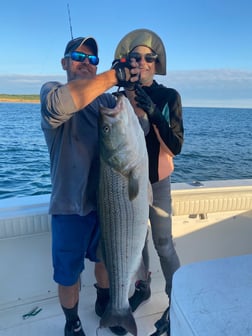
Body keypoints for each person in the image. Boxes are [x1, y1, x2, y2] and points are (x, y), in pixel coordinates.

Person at [40, 36, 140, 336]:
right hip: (69, 205)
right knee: (68, 275)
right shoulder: (52, 91)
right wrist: (114, 75)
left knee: (105, 260)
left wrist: (131, 86)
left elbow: (134, 121)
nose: (86, 62)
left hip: (107, 203)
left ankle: (106, 303)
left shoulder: (108, 101)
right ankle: (72, 321)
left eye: (93, 59)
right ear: (64, 62)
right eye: (78, 56)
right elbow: (62, 104)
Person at [113, 29, 184, 335]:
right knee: (135, 243)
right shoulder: (116, 100)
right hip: (128, 185)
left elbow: (176, 146)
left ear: (156, 64)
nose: (142, 63)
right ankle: (142, 287)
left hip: (157, 182)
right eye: (135, 57)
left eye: (149, 58)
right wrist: (126, 94)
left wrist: (154, 112)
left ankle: (177, 299)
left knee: (164, 244)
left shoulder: (168, 97)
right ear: (127, 62)